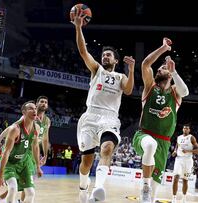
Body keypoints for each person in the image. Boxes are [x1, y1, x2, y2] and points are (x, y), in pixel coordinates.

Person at [72, 9, 135, 203]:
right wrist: (78, 28)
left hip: (109, 117)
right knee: (86, 162)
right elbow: (83, 51)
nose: (105, 57)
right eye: (104, 55)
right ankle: (84, 184)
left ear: (116, 60)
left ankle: (99, 189)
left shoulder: (121, 76)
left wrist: (131, 70)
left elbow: (129, 90)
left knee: (107, 148)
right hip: (90, 117)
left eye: (109, 55)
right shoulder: (96, 70)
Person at [132, 38, 189, 203]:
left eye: (164, 67)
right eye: (160, 67)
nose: (161, 68)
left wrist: (174, 72)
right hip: (144, 135)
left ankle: (149, 197)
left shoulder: (175, 93)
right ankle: (144, 186)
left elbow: (185, 92)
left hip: (164, 142)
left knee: (155, 188)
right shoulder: (150, 87)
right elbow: (145, 64)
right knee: (150, 145)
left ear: (170, 74)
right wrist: (164, 48)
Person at [0, 96, 51, 203]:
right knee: (15, 186)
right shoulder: (22, 121)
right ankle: (2, 199)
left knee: (26, 188)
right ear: (37, 104)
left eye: (46, 102)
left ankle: (0, 199)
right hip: (19, 152)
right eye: (41, 102)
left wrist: (44, 155)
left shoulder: (45, 121)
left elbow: (44, 139)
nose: (43, 104)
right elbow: (12, 127)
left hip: (28, 154)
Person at [171, 124, 198, 203]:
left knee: (185, 180)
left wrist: (188, 151)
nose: (185, 129)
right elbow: (177, 145)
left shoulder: (192, 138)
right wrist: (175, 151)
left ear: (189, 130)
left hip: (188, 160)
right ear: (182, 129)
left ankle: (184, 198)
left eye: (187, 128)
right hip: (179, 159)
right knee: (176, 178)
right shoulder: (179, 137)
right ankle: (174, 198)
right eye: (184, 128)